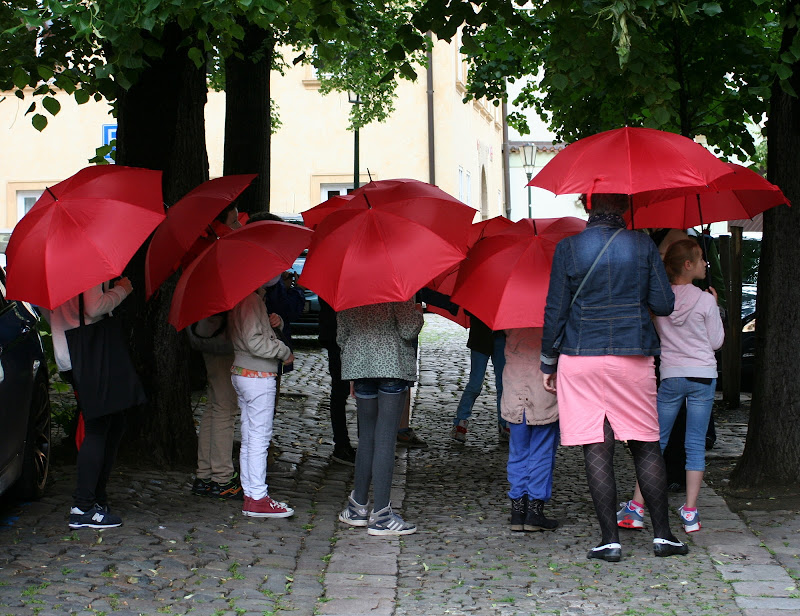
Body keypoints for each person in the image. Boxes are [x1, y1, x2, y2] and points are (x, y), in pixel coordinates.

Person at [541, 193, 688, 562]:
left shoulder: (569, 247)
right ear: (625, 208)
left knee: (596, 444)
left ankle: (609, 540)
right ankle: (665, 537)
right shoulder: (642, 244)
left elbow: (555, 309)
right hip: (631, 354)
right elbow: (664, 305)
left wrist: (548, 363)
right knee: (645, 444)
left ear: (588, 206)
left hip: (579, 356)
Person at [618, 239, 724, 534]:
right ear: (688, 265)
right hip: (703, 375)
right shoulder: (705, 300)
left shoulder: (661, 300)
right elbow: (716, 342)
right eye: (701, 258)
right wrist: (714, 305)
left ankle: (637, 508)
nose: (706, 263)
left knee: (656, 443)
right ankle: (690, 512)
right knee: (694, 446)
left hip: (672, 375)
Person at [45, 280, 133, 529]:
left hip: (68, 351)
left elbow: (47, 308)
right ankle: (83, 506)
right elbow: (95, 308)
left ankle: (95, 500)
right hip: (90, 352)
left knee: (113, 423)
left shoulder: (55, 268)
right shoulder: (88, 269)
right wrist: (123, 289)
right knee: (99, 427)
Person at [337, 299, 424, 536]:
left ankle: (358, 508)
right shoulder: (397, 289)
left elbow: (342, 337)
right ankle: (382, 515)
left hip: (360, 366)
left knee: (366, 439)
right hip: (391, 366)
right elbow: (408, 330)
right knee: (385, 440)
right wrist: (417, 312)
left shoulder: (350, 289)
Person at [189, 203, 244, 499]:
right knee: (224, 408)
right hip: (221, 337)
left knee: (214, 406)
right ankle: (221, 476)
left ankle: (205, 473)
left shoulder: (204, 248)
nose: (238, 224)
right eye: (234, 219)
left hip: (207, 334)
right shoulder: (221, 251)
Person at [228, 280, 295, 517]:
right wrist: (283, 351)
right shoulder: (251, 300)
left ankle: (252, 493)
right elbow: (255, 341)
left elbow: (255, 334)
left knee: (250, 437)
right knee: (258, 439)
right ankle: (257, 497)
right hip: (258, 376)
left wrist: (274, 323)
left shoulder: (245, 298)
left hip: (244, 372)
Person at [502, 327, 559, 532]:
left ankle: (518, 511)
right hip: (544, 389)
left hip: (514, 389)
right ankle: (534, 511)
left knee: (518, 452)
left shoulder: (511, 316)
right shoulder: (552, 316)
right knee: (542, 452)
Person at [450, 315, 508, 444]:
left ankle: (504, 422)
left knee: (503, 384)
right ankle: (461, 421)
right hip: (480, 337)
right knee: (475, 384)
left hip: (502, 336)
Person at [318, 298, 357, 465]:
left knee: (360, 394)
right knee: (340, 393)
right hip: (337, 338)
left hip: (349, 338)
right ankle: (341, 445)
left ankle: (362, 445)